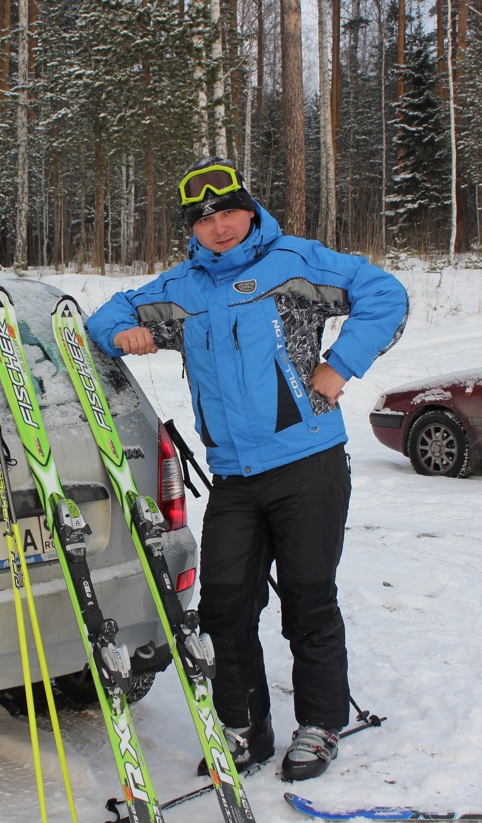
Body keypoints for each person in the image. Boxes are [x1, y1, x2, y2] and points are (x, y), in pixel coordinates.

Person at [86, 157, 408, 782]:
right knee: (226, 606)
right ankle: (244, 728)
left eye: (230, 210)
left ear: (250, 208)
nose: (221, 226)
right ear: (192, 229)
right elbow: (105, 318)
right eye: (205, 219)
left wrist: (339, 366)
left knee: (309, 600)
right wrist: (127, 334)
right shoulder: (181, 290)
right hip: (234, 477)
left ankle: (319, 724)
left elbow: (385, 294)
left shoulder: (292, 263)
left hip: (306, 463)